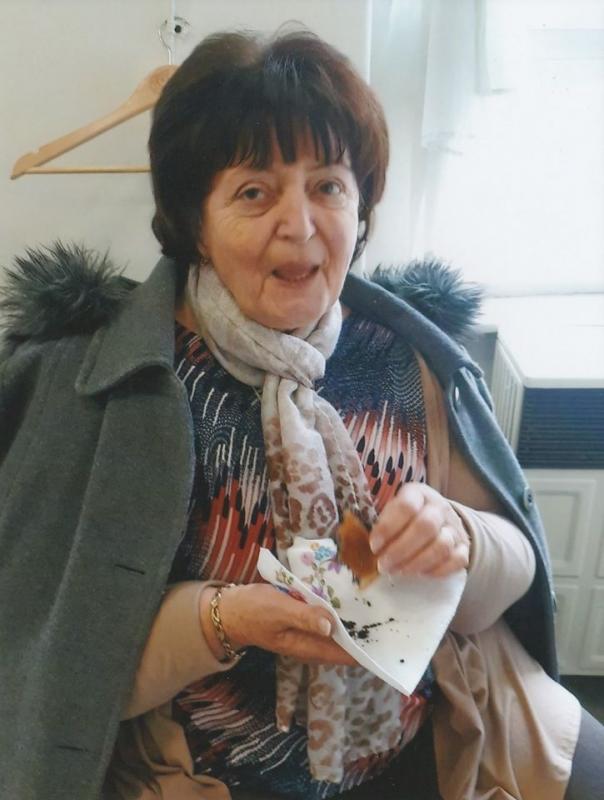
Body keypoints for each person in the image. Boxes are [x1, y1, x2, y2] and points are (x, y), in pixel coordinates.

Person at [1, 28, 603, 800]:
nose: (301, 224)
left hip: (441, 723)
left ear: (361, 206)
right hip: (207, 773)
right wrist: (220, 621)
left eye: (328, 186)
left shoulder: (409, 356)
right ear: (195, 221)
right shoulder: (110, 386)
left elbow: (507, 578)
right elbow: (55, 677)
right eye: (255, 192)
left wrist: (461, 537)